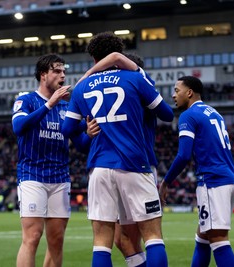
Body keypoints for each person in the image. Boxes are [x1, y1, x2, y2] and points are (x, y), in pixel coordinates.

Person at [61, 32, 173, 267]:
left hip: (99, 167)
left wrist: (91, 126)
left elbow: (67, 128)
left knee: (102, 241)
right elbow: (167, 114)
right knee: (152, 236)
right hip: (135, 164)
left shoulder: (82, 87)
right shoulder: (135, 79)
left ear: (93, 58)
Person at [12, 54, 100, 267]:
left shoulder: (67, 108)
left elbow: (79, 144)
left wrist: (88, 134)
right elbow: (18, 127)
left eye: (63, 71)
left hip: (60, 177)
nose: (62, 75)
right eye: (57, 71)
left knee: (57, 240)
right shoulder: (26, 100)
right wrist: (49, 105)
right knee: (32, 237)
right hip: (32, 175)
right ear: (43, 75)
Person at [78, 51, 157, 267]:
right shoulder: (136, 89)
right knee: (123, 241)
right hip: (127, 165)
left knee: (134, 238)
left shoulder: (138, 87)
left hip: (135, 164)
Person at [159, 76, 234, 267]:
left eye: (176, 90)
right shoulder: (214, 112)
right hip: (230, 178)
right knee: (203, 236)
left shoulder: (188, 115)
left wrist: (166, 182)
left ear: (189, 93)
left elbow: (183, 155)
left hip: (213, 181)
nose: (173, 95)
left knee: (218, 239)